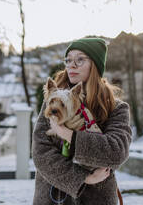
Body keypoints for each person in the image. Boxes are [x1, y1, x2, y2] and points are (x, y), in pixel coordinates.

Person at [32, 37, 132, 205]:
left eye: (80, 60)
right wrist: (84, 178)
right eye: (68, 60)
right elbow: (40, 153)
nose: (71, 65)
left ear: (95, 65)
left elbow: (116, 152)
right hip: (53, 197)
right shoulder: (53, 101)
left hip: (97, 199)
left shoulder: (116, 108)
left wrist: (67, 134)